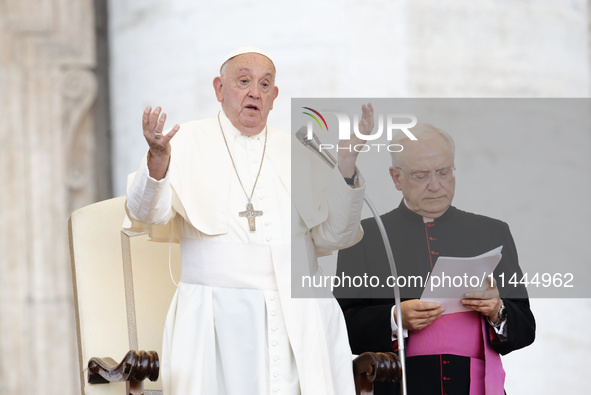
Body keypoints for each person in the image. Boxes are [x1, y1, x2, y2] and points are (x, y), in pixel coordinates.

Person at [124, 47, 374, 395]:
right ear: (219, 88)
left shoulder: (300, 151)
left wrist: (346, 166)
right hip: (215, 317)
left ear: (274, 97)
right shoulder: (183, 143)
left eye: (265, 84)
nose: (255, 92)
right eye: (244, 81)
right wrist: (157, 160)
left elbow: (335, 235)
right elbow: (145, 213)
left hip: (301, 318)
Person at [334, 123, 535, 395]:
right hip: (400, 385)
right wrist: (395, 318)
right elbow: (340, 326)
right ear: (396, 178)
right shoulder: (364, 237)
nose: (435, 185)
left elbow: (525, 327)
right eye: (421, 175)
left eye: (444, 172)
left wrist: (497, 310)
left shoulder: (492, 232)